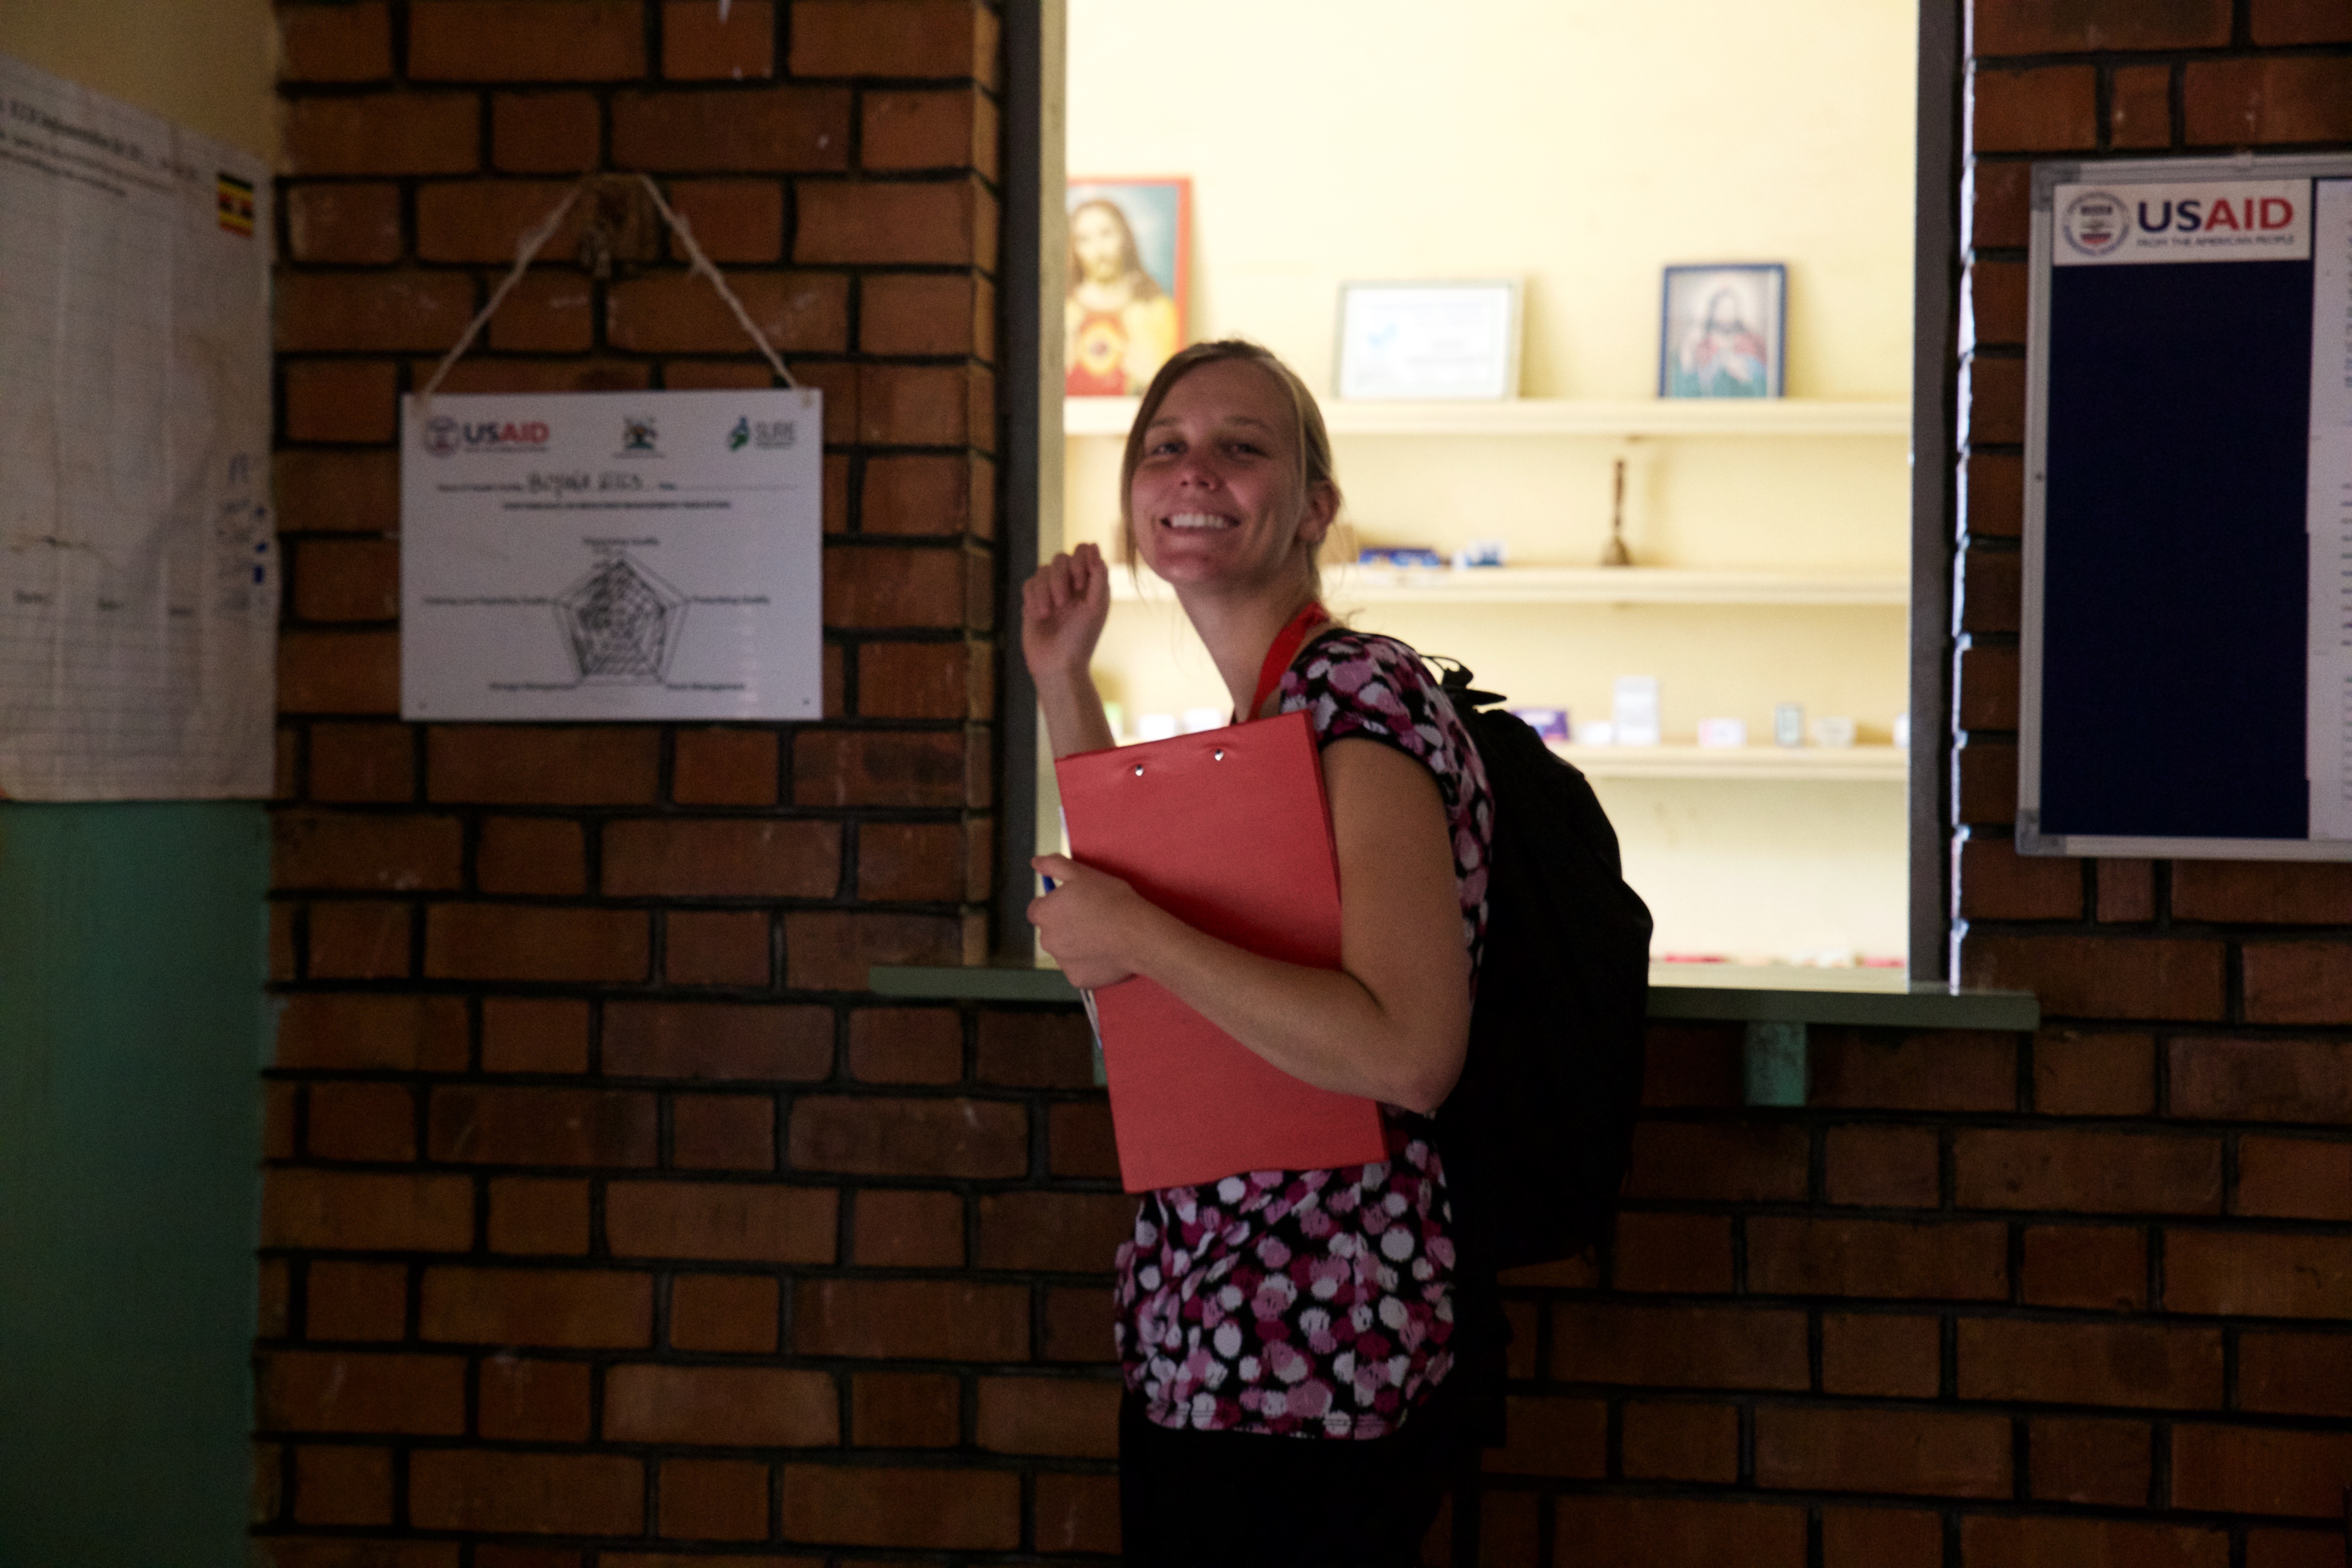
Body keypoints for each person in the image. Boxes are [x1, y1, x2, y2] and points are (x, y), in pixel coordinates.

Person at [1021, 340, 1495, 1566]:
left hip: (1317, 1344)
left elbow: (1406, 1053)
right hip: (1212, 1332)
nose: (1195, 472)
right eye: (1164, 446)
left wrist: (1134, 931)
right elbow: (1162, 980)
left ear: (1316, 507)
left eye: (1242, 447)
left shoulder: (1358, 697)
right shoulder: (1269, 714)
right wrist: (1063, 681)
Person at [1066, 197, 1182, 395]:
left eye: (1106, 234)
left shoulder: (1156, 308)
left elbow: (1170, 386)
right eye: (1084, 239)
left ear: (1125, 237)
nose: (1099, 251)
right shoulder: (1063, 311)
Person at [1669, 284, 1770, 397]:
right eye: (1722, 308)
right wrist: (1688, 351)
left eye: (1730, 309)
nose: (1726, 313)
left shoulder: (1751, 341)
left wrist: (1745, 373)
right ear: (1713, 311)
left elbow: (1767, 380)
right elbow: (1684, 380)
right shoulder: (1700, 342)